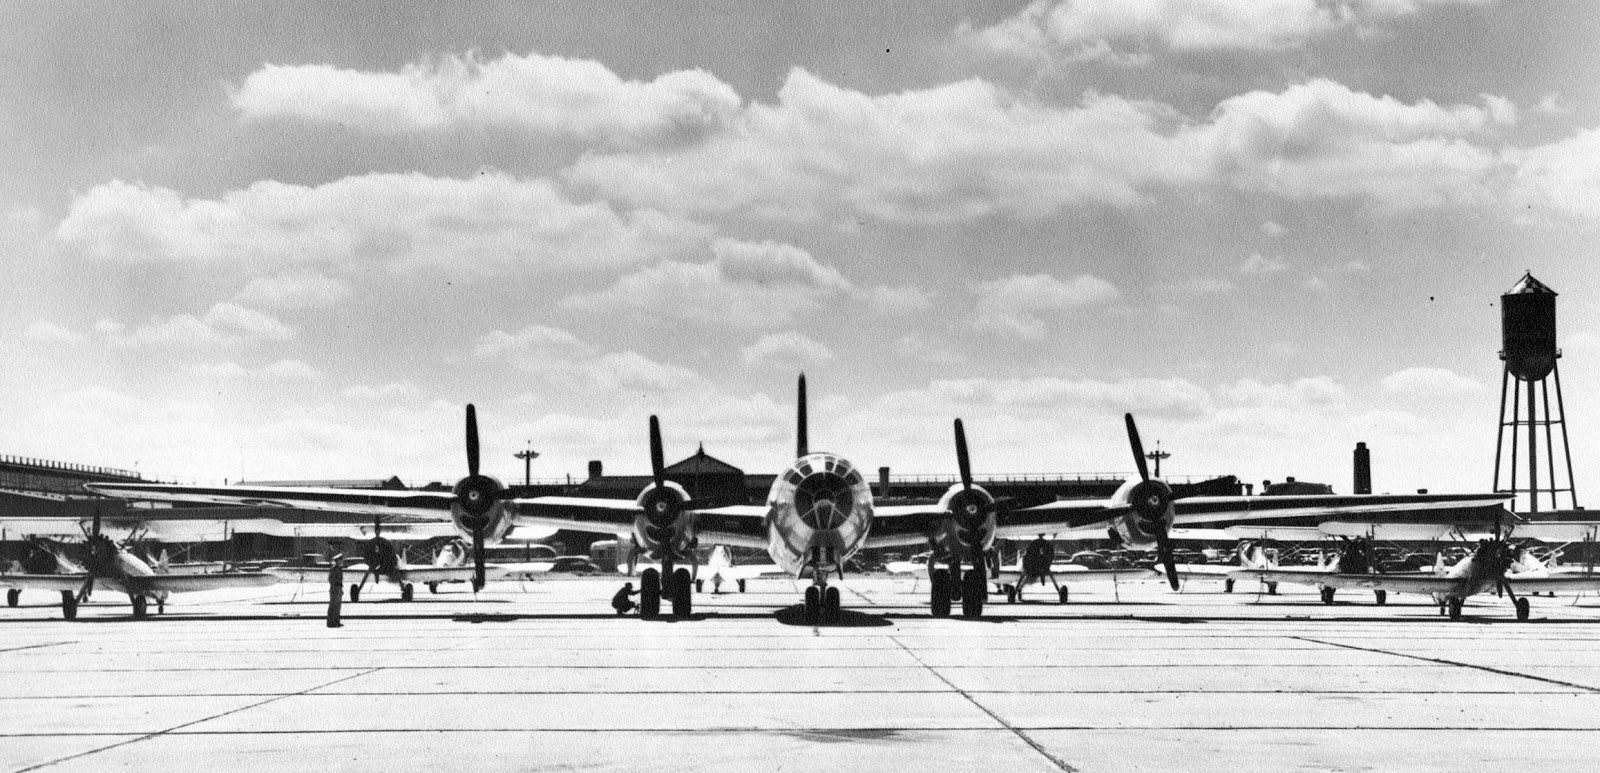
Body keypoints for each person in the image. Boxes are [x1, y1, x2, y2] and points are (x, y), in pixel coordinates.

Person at [326, 554, 344, 629]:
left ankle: (336, 621)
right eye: (340, 560)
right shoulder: (334, 569)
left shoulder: (339, 569)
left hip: (338, 589)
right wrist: (336, 586)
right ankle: (331, 622)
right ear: (337, 561)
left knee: (338, 606)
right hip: (334, 589)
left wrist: (341, 589)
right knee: (333, 606)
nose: (341, 562)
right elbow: (330, 579)